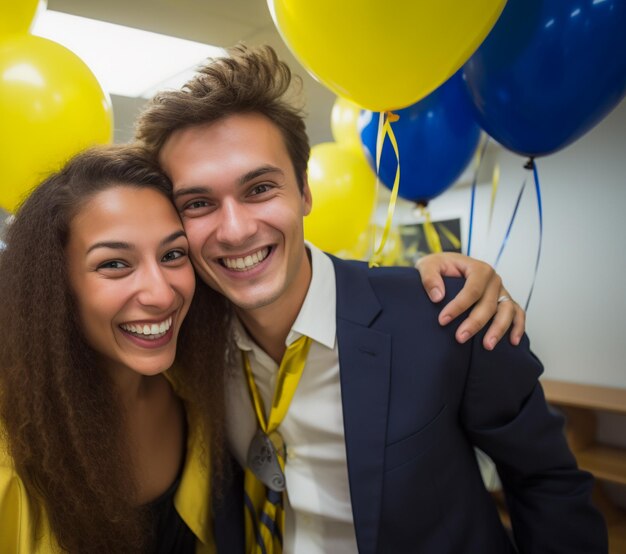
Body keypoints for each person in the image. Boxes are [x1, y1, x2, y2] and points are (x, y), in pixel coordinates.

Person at [136, 44, 608, 553]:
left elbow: (547, 483)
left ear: (304, 192)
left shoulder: (446, 314)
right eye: (199, 203)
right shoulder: (182, 339)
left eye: (260, 189)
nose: (234, 230)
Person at [0, 146, 240, 553]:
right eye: (114, 264)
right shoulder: (11, 452)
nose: (162, 294)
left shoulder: (195, 398)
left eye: (173, 255)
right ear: (55, 286)